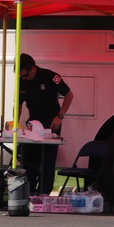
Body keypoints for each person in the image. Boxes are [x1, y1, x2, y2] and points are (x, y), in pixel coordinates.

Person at [17, 53, 73, 195]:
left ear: (33, 68)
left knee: (48, 159)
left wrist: (60, 116)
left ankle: (44, 192)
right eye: (21, 76)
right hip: (33, 123)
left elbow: (69, 94)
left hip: (51, 123)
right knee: (30, 157)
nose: (23, 78)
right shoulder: (21, 81)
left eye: (25, 75)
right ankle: (29, 190)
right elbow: (18, 104)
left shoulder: (49, 76)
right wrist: (16, 124)